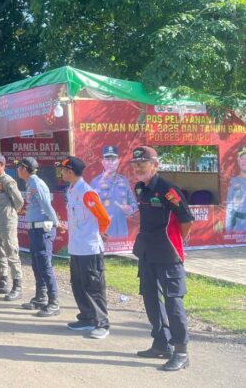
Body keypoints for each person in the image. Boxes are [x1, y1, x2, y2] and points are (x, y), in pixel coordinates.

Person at [130, 146, 194, 371]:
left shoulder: (168, 190)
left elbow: (186, 219)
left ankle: (181, 352)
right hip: (147, 252)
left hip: (168, 254)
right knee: (151, 299)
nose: (138, 168)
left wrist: (176, 241)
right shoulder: (140, 188)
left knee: (173, 303)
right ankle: (161, 344)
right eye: (135, 165)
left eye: (143, 164)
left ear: (155, 166)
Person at [57, 156, 111, 340]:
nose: (61, 173)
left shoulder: (87, 193)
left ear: (70, 172)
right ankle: (87, 317)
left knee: (93, 287)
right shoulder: (72, 190)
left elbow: (104, 218)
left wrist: (98, 233)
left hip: (89, 248)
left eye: (63, 170)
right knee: (78, 285)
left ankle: (102, 323)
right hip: (76, 247)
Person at [16, 157, 60, 316]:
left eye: (19, 167)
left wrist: (56, 222)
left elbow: (46, 205)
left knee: (45, 265)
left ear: (24, 168)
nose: (17, 170)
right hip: (35, 229)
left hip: (42, 230)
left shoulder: (36, 183)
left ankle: (54, 302)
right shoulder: (30, 183)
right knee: (36, 264)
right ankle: (41, 297)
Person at [0, 153, 25, 300]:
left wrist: (10, 213)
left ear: (2, 165)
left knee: (11, 253)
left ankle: (17, 286)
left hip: (7, 222)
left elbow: (19, 202)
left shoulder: (8, 181)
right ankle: (3, 283)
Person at [90, 145, 138, 238]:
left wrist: (131, 209)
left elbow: (133, 203)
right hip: (103, 232)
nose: (110, 163)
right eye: (108, 160)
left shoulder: (124, 181)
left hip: (122, 232)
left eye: (113, 159)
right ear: (103, 162)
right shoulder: (95, 182)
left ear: (118, 161)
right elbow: (90, 207)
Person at [226, 146, 246, 232]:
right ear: (238, 160)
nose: (244, 161)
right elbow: (229, 206)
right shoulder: (234, 182)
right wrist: (228, 229)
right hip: (238, 227)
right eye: (242, 158)